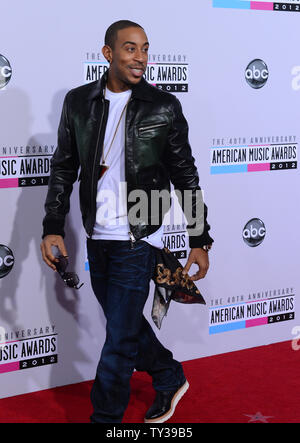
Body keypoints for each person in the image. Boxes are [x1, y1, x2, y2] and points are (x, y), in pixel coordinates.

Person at [40, 20, 213, 424]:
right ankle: (169, 375)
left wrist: (200, 238)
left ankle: (105, 421)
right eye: (130, 49)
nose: (140, 59)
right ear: (108, 53)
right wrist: (52, 226)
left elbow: (185, 173)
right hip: (96, 235)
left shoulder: (162, 106)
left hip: (136, 236)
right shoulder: (79, 102)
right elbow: (64, 168)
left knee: (117, 342)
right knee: (127, 324)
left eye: (145, 49)